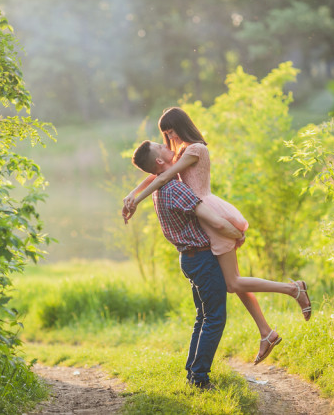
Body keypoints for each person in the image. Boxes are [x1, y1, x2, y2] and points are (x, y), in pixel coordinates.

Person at [122, 107, 311, 365]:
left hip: (210, 215)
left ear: (179, 126)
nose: (167, 137)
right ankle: (266, 332)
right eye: (163, 134)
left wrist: (137, 200)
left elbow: (164, 175)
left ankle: (293, 289)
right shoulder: (180, 151)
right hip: (203, 217)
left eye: (169, 132)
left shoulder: (195, 149)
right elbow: (157, 174)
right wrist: (131, 195)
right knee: (234, 280)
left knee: (233, 283)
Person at [125, 140, 243, 389]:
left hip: (189, 258)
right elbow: (217, 222)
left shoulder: (162, 187)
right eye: (161, 145)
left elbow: (158, 177)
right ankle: (199, 378)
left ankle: (193, 371)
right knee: (214, 318)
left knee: (203, 316)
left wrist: (133, 195)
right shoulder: (174, 190)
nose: (168, 145)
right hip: (200, 258)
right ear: (159, 161)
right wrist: (238, 234)